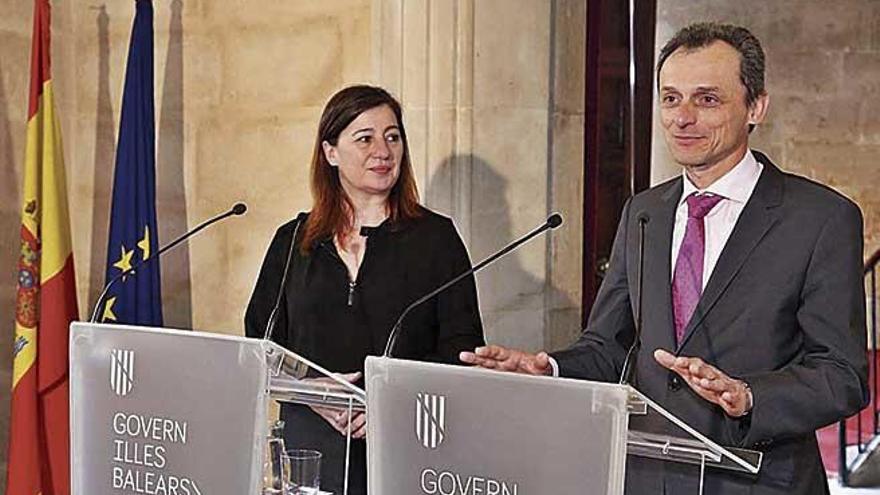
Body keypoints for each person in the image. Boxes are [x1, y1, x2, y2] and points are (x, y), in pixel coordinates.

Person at [461, 22, 868, 495]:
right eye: (671, 99)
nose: (682, 118)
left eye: (707, 99)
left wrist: (751, 396)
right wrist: (547, 369)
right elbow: (609, 345)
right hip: (648, 477)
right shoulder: (643, 211)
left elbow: (841, 374)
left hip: (760, 480)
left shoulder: (820, 218)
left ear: (756, 106)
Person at [246, 85, 485, 495]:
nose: (383, 150)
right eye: (365, 138)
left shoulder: (436, 239)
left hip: (406, 446)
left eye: (393, 137)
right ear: (330, 152)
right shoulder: (293, 242)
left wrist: (387, 404)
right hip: (308, 448)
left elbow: (462, 350)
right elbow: (261, 344)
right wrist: (308, 392)